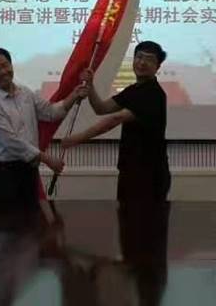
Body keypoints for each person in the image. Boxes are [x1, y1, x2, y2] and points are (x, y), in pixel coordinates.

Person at [61, 40, 170, 204]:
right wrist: (90, 85)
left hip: (149, 173)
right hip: (130, 169)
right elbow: (101, 108)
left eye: (149, 59)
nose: (142, 63)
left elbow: (115, 119)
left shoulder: (153, 93)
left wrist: (77, 138)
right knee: (126, 217)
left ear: (158, 66)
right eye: (139, 57)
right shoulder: (133, 90)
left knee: (145, 219)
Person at [0, 47, 87, 211]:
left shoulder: (25, 93)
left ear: (11, 65)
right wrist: (48, 159)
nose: (3, 72)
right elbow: (13, 143)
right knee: (7, 225)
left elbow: (50, 113)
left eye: (5, 65)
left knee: (32, 222)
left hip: (29, 171)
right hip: (5, 174)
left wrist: (74, 95)